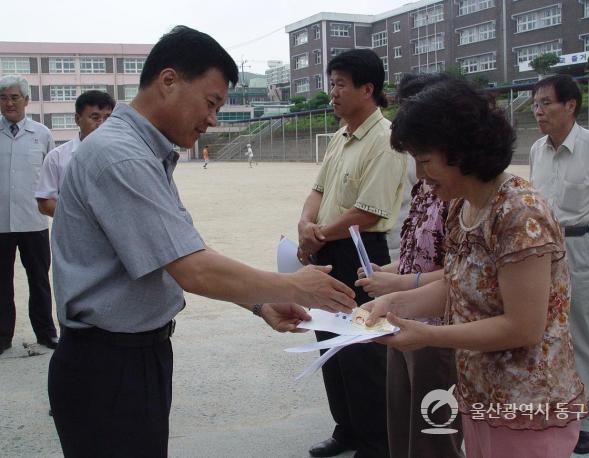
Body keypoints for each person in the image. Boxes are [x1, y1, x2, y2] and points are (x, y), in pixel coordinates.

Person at [47, 26, 357, 458]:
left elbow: (185, 250)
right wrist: (292, 286)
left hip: (135, 355)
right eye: (211, 103)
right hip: (107, 364)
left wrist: (260, 302)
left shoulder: (146, 154)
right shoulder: (121, 155)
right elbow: (192, 269)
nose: (212, 119)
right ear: (169, 81)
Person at [364, 76, 588, 458]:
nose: (420, 176)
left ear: (460, 151)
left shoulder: (519, 212)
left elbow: (523, 326)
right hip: (480, 392)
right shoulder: (461, 205)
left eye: (425, 162)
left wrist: (428, 335)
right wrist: (397, 304)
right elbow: (457, 285)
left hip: (527, 401)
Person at [297, 48, 408, 458]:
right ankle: (346, 429)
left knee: (361, 351)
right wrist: (305, 227)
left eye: (341, 84)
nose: (333, 93)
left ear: (368, 89)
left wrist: (317, 234)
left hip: (361, 254)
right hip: (327, 249)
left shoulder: (386, 140)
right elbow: (318, 190)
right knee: (329, 344)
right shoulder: (341, 137)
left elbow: (368, 210)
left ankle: (376, 442)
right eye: (331, 84)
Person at [354, 73, 463, 458]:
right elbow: (419, 249)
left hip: (440, 330)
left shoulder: (465, 195)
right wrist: (391, 271)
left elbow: (462, 276)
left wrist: (403, 287)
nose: (418, 170)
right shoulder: (425, 185)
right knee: (402, 427)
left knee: (436, 434)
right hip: (405, 325)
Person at [529, 74, 589, 454]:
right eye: (535, 103)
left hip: (583, 247)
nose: (538, 110)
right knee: (549, 334)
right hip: (543, 252)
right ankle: (562, 407)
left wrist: (587, 241)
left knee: (585, 335)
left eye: (545, 103)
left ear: (570, 105)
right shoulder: (536, 150)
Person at [0, 74, 57, 355]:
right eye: (3, 97)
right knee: (1, 283)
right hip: (0, 223)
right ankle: (2, 338)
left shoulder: (42, 133)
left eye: (14, 97)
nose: (9, 103)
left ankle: (46, 334)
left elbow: (51, 176)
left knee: (39, 280)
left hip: (33, 221)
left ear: (26, 101)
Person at [35, 90, 115, 217]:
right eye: (95, 118)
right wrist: (80, 219)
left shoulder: (121, 156)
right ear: (78, 119)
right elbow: (45, 202)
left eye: (107, 118)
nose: (102, 124)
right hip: (71, 234)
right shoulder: (57, 157)